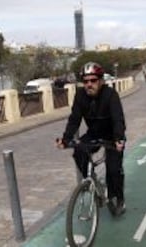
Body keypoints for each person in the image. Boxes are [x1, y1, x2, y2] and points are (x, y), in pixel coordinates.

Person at [55, 61, 127, 216]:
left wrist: (119, 139)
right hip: (94, 133)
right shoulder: (80, 95)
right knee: (78, 152)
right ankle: (90, 181)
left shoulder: (110, 95)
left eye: (93, 80)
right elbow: (74, 119)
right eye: (86, 81)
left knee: (114, 170)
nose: (89, 84)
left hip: (112, 136)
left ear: (100, 81)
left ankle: (119, 198)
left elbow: (118, 119)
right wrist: (66, 139)